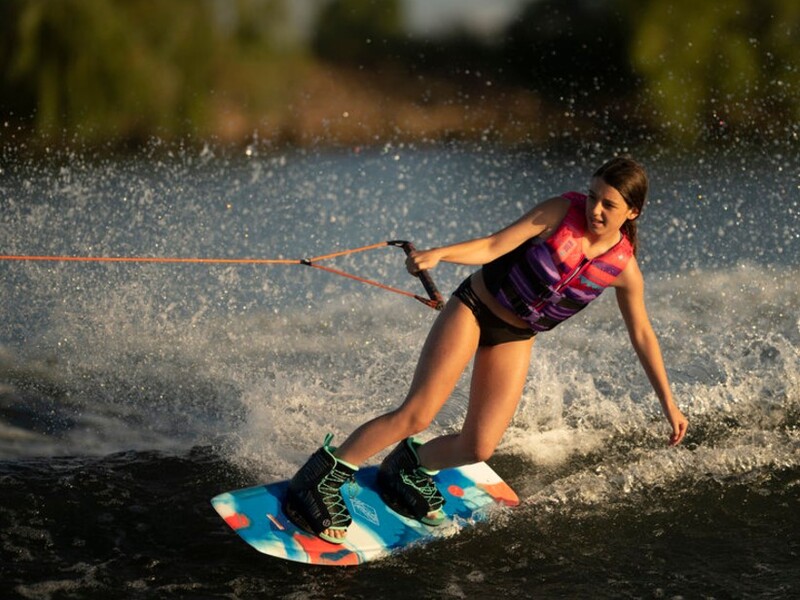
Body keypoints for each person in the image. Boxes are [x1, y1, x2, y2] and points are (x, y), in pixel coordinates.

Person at [283, 157, 689, 544]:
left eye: (608, 204)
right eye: (592, 195)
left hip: (516, 336)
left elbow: (642, 334)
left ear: (632, 213)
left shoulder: (624, 268)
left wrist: (669, 404)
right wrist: (441, 253)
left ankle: (407, 467)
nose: (594, 208)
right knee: (418, 413)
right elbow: (494, 246)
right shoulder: (557, 213)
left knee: (479, 447)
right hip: (475, 308)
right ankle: (321, 478)